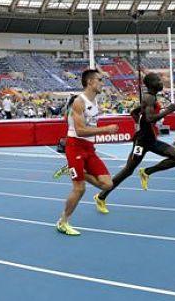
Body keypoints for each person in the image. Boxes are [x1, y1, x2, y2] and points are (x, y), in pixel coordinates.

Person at [95, 73, 175, 213]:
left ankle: (146, 172)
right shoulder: (149, 97)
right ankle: (101, 197)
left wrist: (139, 122)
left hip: (151, 140)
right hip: (141, 142)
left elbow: (134, 112)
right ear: (151, 83)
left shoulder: (151, 97)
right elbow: (149, 119)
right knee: (128, 171)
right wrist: (168, 111)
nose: (161, 82)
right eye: (158, 80)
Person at [56, 69, 118, 236]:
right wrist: (106, 129)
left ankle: (75, 170)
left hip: (89, 148)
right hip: (75, 146)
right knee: (80, 188)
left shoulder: (95, 101)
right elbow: (81, 130)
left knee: (107, 184)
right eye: (100, 80)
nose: (102, 83)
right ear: (90, 82)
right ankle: (63, 222)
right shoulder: (79, 101)